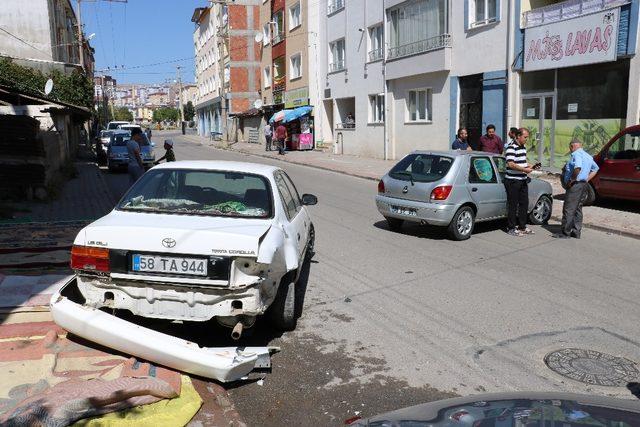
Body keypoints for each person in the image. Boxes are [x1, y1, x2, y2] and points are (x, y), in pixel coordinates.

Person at [553, 139, 599, 239]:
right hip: (583, 185)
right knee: (578, 208)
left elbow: (577, 167)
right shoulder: (588, 155)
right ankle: (576, 231)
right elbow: (596, 169)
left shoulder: (576, 154)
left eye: (570, 147)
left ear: (572, 146)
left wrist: (572, 180)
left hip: (575, 185)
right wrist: (586, 179)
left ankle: (566, 233)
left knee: (569, 208)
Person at [504, 128, 535, 236]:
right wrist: (524, 170)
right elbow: (510, 164)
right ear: (518, 136)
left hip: (522, 180)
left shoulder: (523, 147)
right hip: (513, 181)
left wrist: (529, 165)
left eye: (527, 137)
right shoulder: (511, 147)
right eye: (525, 137)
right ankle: (511, 228)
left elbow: (522, 161)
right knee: (513, 205)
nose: (527, 139)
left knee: (524, 204)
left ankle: (522, 226)